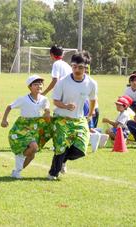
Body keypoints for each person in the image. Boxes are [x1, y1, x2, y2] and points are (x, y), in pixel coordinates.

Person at [48, 52, 97, 180]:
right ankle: (53, 173)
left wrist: (90, 114)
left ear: (86, 68)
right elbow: (55, 101)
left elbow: (93, 100)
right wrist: (65, 106)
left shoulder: (91, 83)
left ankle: (63, 160)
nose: (77, 70)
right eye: (74, 66)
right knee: (61, 146)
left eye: (80, 67)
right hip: (61, 118)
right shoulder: (63, 82)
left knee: (81, 149)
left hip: (79, 119)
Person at [1, 75, 51, 179]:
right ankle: (20, 156)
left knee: (32, 155)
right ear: (30, 87)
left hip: (35, 128)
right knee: (34, 147)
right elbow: (9, 107)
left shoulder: (44, 99)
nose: (39, 86)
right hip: (21, 128)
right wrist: (4, 119)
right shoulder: (23, 99)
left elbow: (46, 108)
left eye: (40, 84)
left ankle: (16, 171)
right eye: (35, 84)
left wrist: (47, 112)